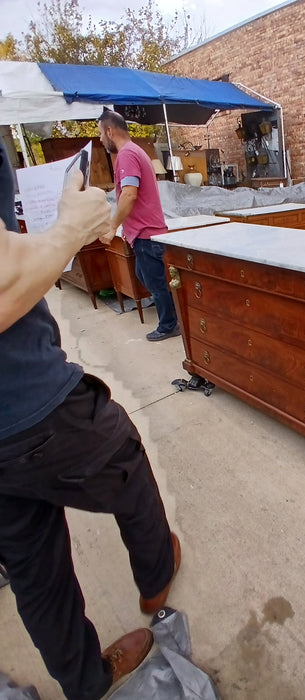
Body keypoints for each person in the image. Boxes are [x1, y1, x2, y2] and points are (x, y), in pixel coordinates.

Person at [0, 137, 182, 700]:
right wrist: (67, 233)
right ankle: (155, 580)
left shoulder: (128, 158)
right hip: (27, 401)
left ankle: (84, 681)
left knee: (31, 563)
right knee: (123, 456)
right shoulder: (128, 157)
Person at [97, 109, 180, 341]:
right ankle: (172, 315)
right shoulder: (137, 152)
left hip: (146, 234)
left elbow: (129, 195)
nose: (101, 140)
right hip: (144, 233)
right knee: (146, 277)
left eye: (101, 135)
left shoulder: (126, 155)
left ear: (110, 131)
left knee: (156, 283)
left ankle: (169, 325)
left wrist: (113, 226)